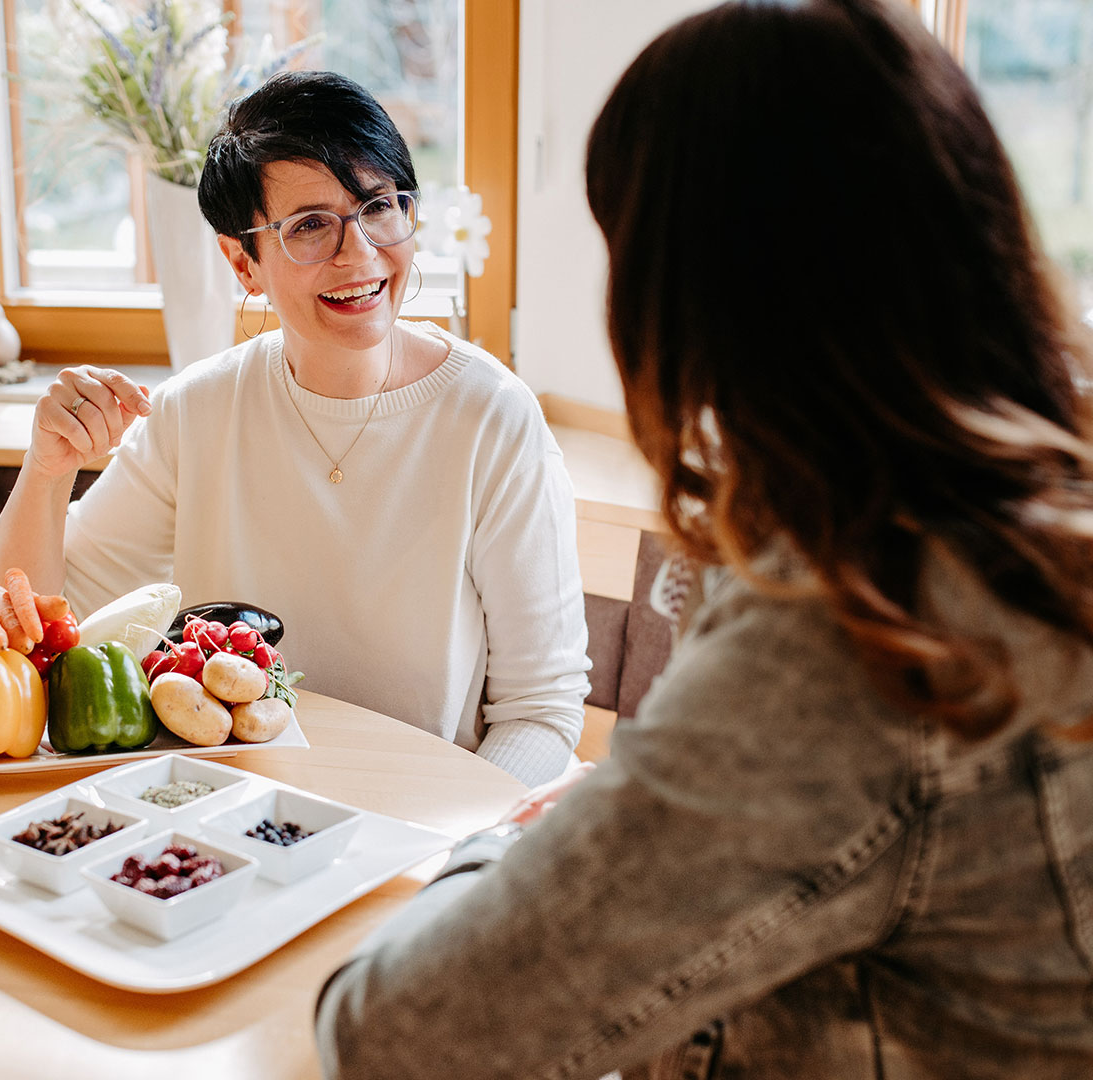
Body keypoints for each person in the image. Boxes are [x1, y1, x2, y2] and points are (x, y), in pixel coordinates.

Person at [313, 1, 1093, 1076]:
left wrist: (506, 852)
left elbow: (395, 1035)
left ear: (698, 293)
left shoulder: (853, 632)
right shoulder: (1037, 495)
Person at [0, 70, 591, 787]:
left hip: (424, 818)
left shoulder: (491, 415)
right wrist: (47, 472)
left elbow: (541, 713)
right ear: (243, 262)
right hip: (232, 821)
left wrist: (450, 852)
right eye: (308, 226)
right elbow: (22, 630)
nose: (358, 254)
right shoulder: (196, 412)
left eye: (379, 207)